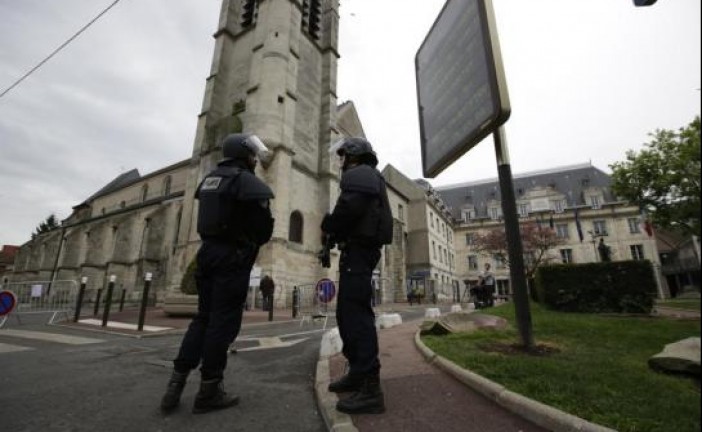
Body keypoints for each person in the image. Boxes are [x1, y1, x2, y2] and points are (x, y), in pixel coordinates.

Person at [160, 133, 274, 415]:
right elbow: (263, 230)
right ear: (245, 154)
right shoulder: (247, 182)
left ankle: (176, 383)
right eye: (253, 155)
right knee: (221, 324)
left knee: (203, 319)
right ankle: (209, 390)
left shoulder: (210, 180)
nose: (255, 159)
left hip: (207, 254)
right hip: (231, 258)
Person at [321, 137, 393, 415]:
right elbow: (353, 212)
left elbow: (348, 209)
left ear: (353, 156)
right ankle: (358, 374)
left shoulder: (361, 174)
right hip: (356, 253)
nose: (341, 163)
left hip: (360, 253)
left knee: (357, 316)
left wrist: (328, 225)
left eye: (343, 157)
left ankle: (371, 389)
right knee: (347, 314)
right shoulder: (366, 176)